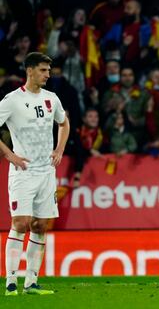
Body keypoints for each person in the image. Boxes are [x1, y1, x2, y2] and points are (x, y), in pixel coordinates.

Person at [0, 52, 70, 296]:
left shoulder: (52, 98)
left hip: (46, 173)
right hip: (23, 172)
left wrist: (59, 148)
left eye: (48, 70)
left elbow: (64, 123)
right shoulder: (12, 100)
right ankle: (10, 282)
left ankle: (31, 283)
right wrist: (10, 156)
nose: (48, 75)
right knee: (20, 223)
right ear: (29, 70)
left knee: (40, 225)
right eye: (43, 70)